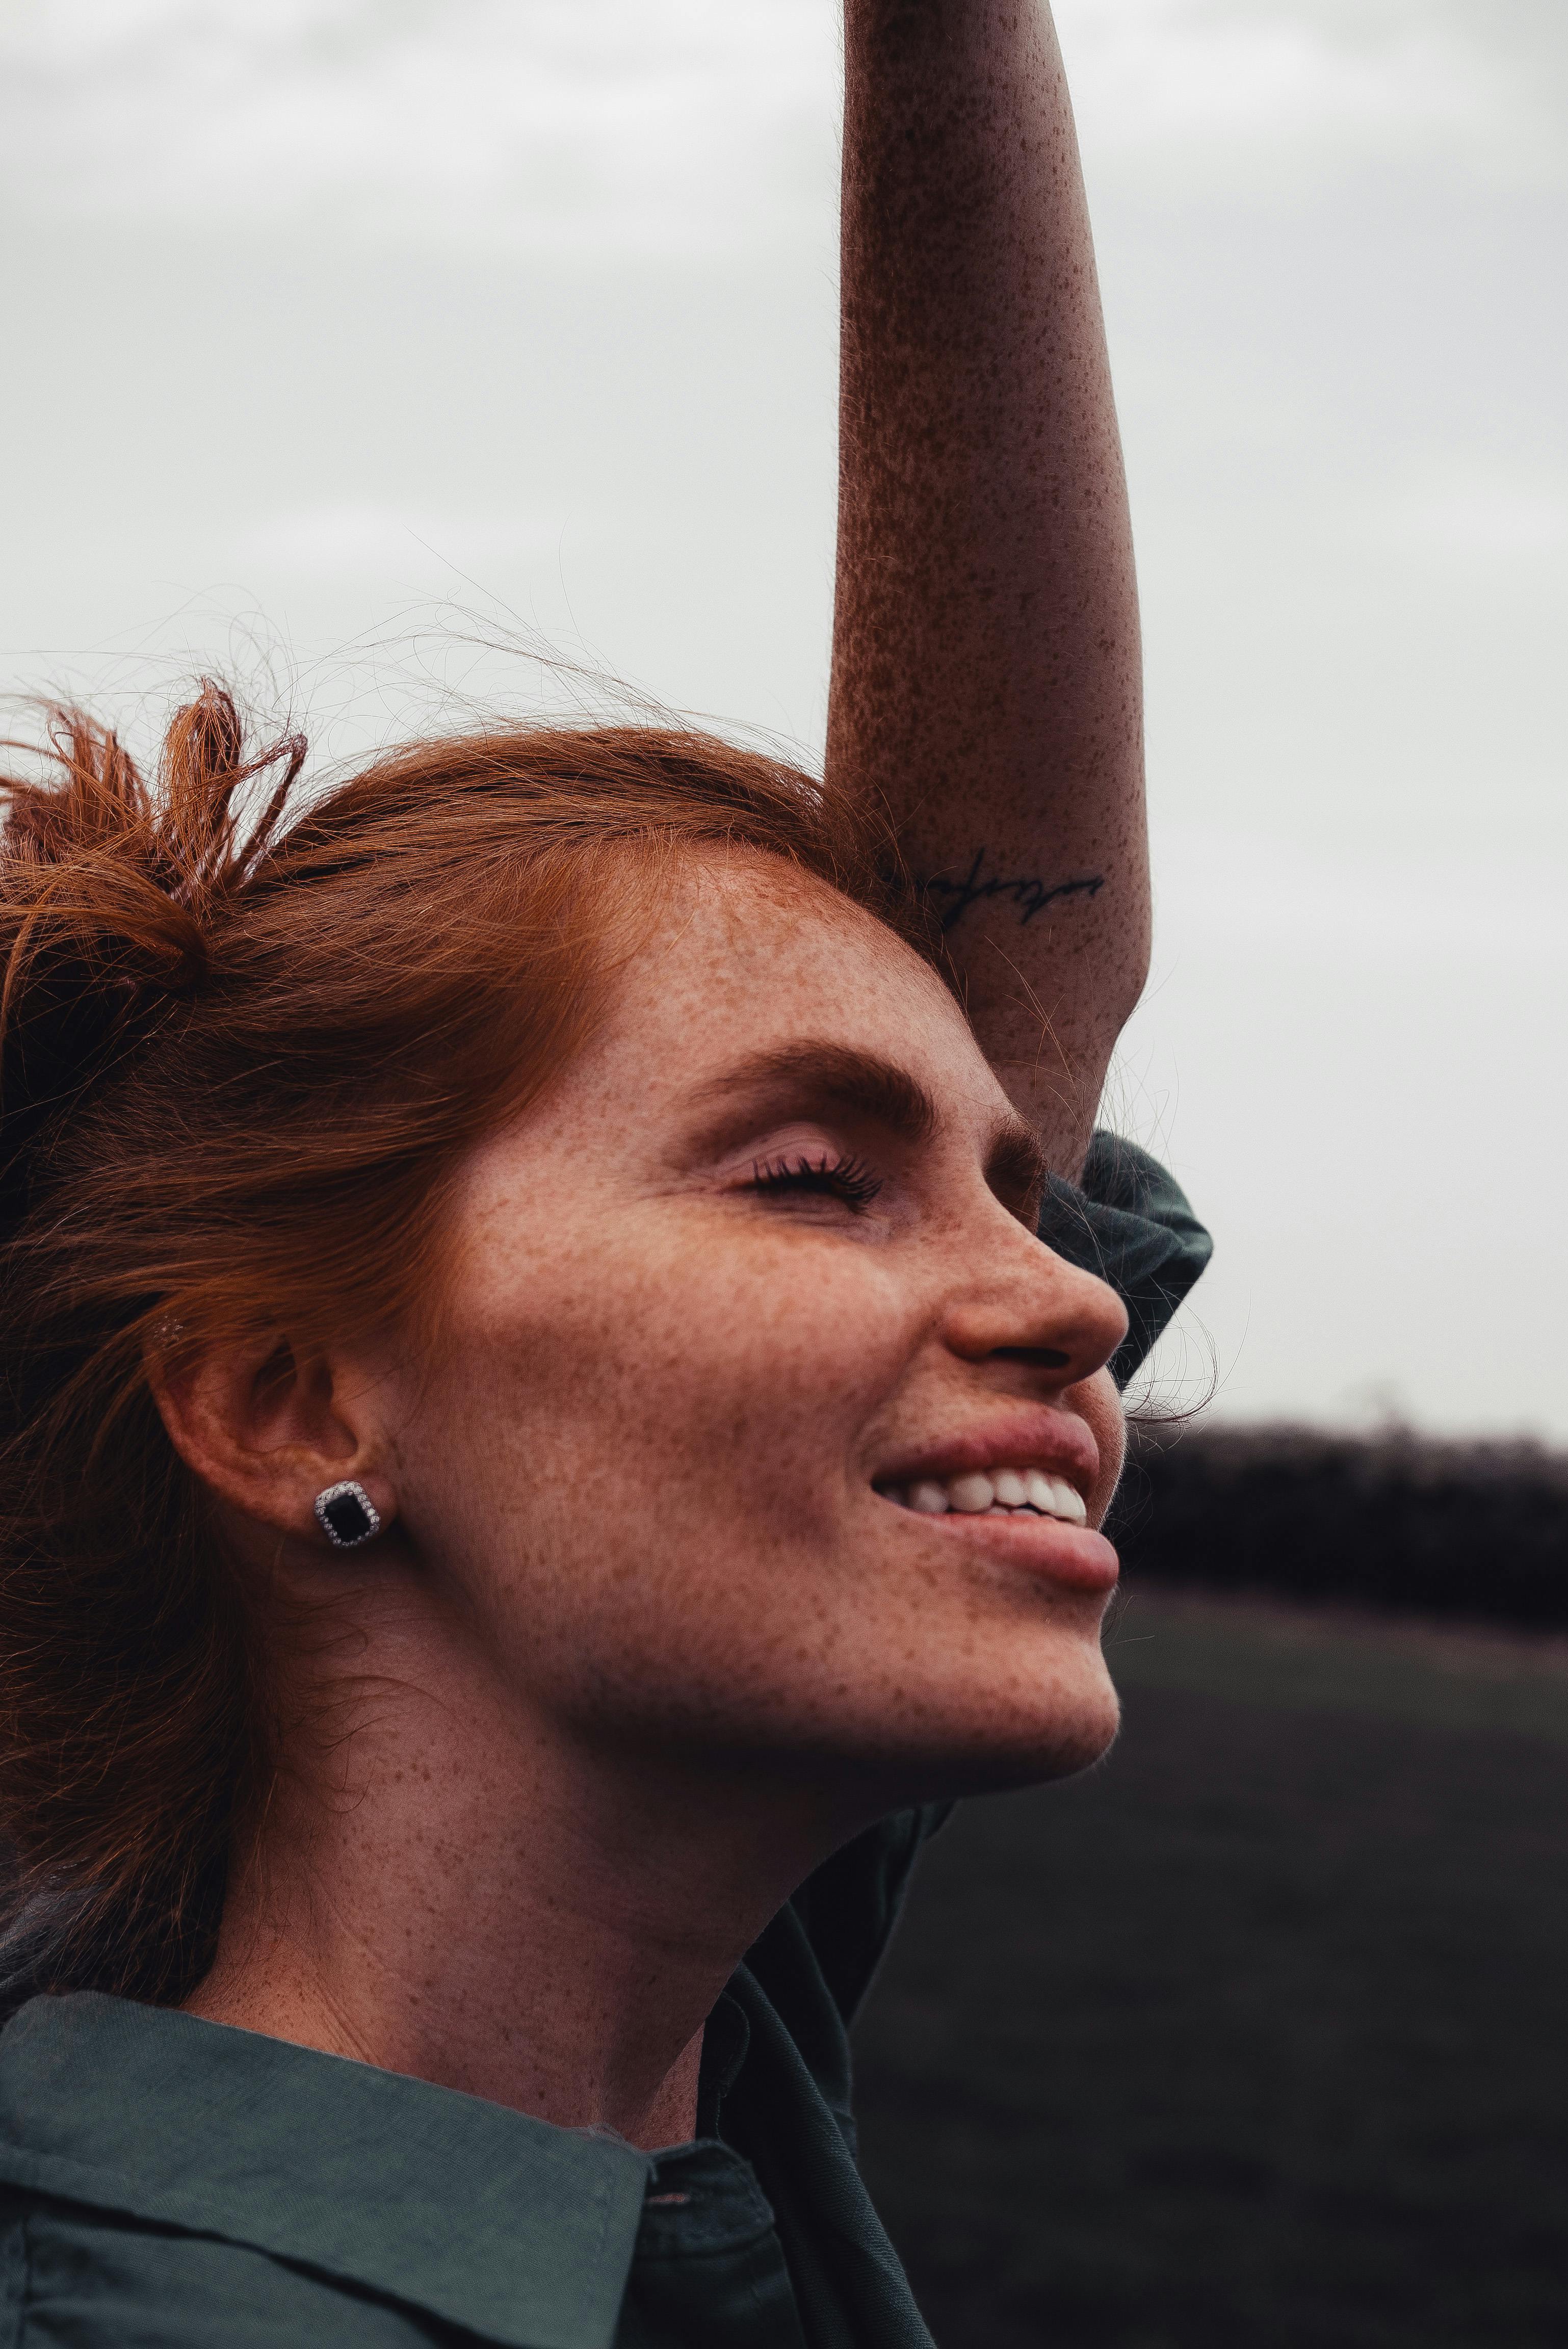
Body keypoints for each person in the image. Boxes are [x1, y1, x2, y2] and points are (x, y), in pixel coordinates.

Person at [0, 3, 1209, 2342]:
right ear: (290, 1403)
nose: (1064, 1291)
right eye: (812, 1182)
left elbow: (1020, 929)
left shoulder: (652, 2073)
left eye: (991, 1179)